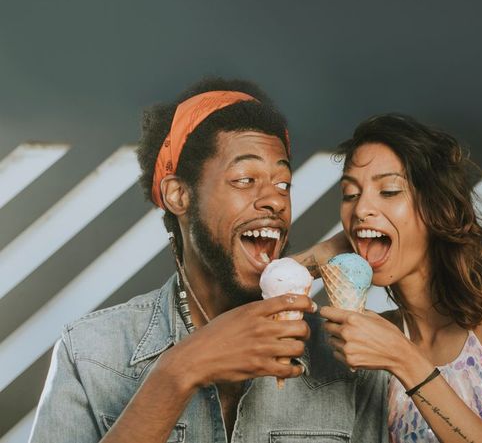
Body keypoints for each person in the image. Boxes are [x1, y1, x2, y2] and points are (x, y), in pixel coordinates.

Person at [28, 78, 388, 443]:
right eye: (245, 179)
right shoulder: (90, 354)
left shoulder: (349, 358)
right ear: (178, 195)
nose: (276, 201)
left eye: (283, 184)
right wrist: (179, 371)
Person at [320, 114, 482, 443]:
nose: (360, 210)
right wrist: (322, 253)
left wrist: (404, 360)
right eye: (350, 194)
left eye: (388, 190)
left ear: (436, 208)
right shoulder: (377, 339)